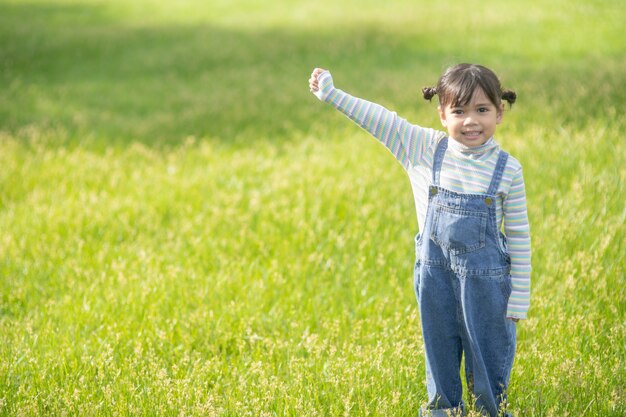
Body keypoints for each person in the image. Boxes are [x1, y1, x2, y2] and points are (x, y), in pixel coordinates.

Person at [309, 64, 531, 417]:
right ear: (442, 114)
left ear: (499, 112)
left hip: (487, 287)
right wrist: (333, 95)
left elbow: (518, 235)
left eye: (482, 110)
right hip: (435, 281)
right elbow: (381, 120)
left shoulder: (508, 169)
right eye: (459, 111)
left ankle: (490, 411)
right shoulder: (423, 149)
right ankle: (442, 410)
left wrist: (519, 295)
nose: (471, 121)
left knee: (488, 359)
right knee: (439, 354)